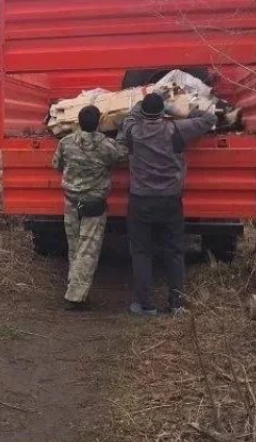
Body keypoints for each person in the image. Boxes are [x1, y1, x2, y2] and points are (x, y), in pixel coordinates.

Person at [117, 92, 217, 316]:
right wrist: (174, 108)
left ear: (143, 112)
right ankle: (176, 304)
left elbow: (130, 117)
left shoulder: (133, 130)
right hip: (170, 200)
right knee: (174, 251)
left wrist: (142, 102)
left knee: (142, 252)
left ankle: (145, 305)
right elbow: (210, 119)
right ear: (162, 112)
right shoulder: (177, 130)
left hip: (140, 199)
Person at [52, 105, 128, 311]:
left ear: (78, 121)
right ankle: (75, 297)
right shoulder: (106, 145)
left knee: (75, 247)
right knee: (87, 250)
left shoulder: (66, 142)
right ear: (99, 123)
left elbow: (57, 165)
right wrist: (122, 132)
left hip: (71, 202)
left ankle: (73, 284)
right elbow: (124, 156)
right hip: (93, 205)